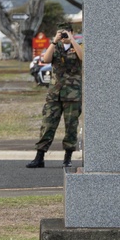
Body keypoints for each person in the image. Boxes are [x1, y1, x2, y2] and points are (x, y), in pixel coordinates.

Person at [26, 23, 83, 168]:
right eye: (61, 33)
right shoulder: (55, 46)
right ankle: (39, 157)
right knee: (47, 125)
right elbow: (45, 59)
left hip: (72, 94)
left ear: (71, 32)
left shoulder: (77, 46)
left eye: (66, 33)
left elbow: (83, 57)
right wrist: (54, 41)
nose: (63, 36)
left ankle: (67, 158)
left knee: (71, 127)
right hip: (54, 94)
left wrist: (72, 39)